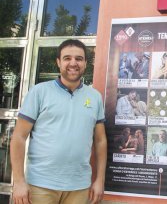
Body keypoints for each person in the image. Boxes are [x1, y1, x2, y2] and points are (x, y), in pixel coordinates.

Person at [10, 39, 107, 204]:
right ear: (58, 62)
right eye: (67, 58)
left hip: (79, 186)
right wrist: (19, 182)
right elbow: (19, 137)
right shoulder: (39, 92)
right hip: (41, 185)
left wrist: (100, 180)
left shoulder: (95, 97)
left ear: (85, 63)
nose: (73, 63)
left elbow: (100, 141)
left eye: (79, 58)